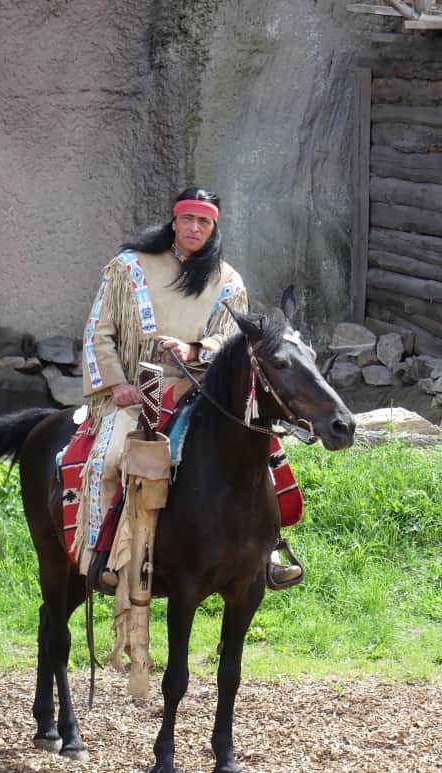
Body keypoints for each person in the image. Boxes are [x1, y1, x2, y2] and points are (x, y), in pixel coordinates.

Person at [74, 186, 301, 586]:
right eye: (187, 219)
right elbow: (98, 332)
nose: (194, 228)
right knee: (109, 460)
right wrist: (117, 385)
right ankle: (104, 556)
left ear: (213, 227)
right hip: (134, 391)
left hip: (202, 390)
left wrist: (194, 348)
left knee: (263, 457)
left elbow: (236, 343)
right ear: (174, 221)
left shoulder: (228, 281)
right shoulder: (129, 267)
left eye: (204, 222)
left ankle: (265, 553)